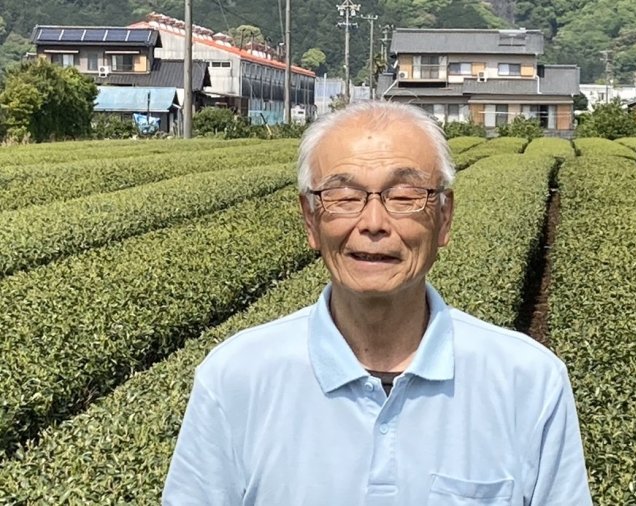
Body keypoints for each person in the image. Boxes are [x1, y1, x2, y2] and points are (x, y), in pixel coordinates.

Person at [162, 101, 592, 505]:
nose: (372, 224)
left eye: (404, 197)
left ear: (444, 218)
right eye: (343, 198)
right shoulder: (236, 377)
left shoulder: (528, 382)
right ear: (310, 220)